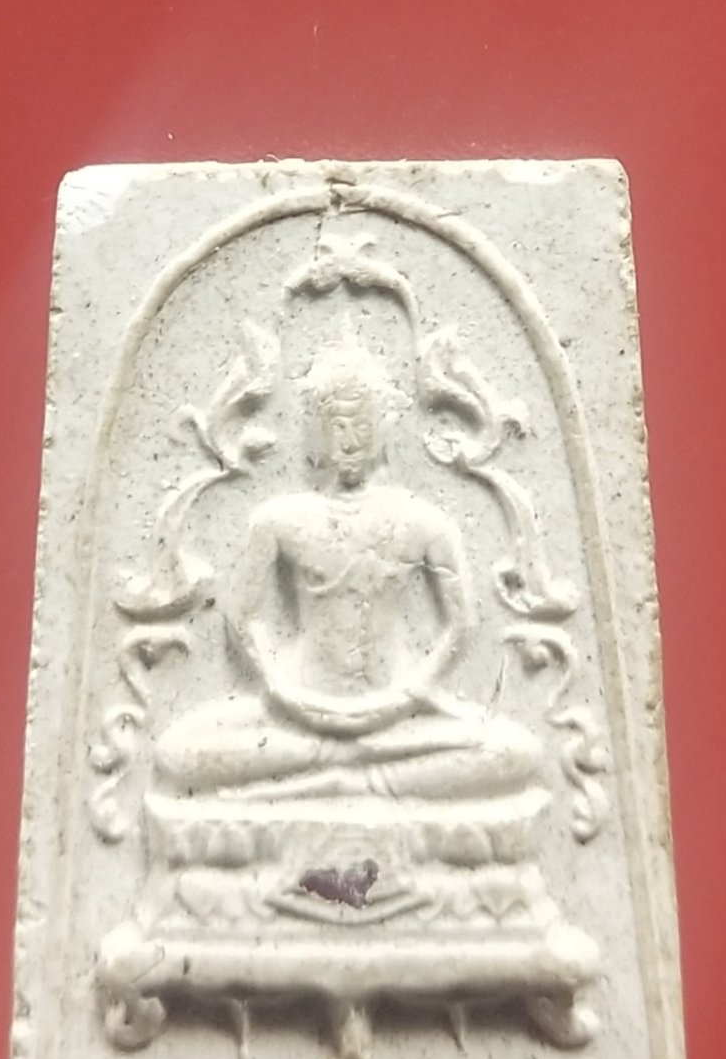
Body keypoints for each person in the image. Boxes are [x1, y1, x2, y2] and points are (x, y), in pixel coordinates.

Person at [153, 340, 541, 800]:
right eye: (337, 426)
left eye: (362, 425)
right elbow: (242, 618)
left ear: (383, 428)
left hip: (398, 715)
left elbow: (461, 625)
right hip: (298, 714)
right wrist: (280, 687)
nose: (350, 440)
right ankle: (359, 772)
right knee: (175, 752)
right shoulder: (278, 520)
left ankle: (342, 779)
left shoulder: (424, 522)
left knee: (516, 751)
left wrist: (408, 695)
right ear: (317, 433)